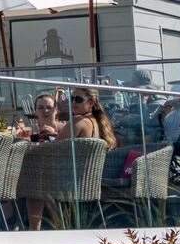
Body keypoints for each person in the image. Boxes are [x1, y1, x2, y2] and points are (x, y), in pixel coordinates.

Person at [25, 86, 118, 230]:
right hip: (86, 181)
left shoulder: (77, 122)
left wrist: (45, 136)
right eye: (72, 99)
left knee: (33, 183)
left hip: (67, 181)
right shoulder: (96, 123)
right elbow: (65, 146)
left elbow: (55, 149)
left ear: (91, 103)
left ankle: (34, 230)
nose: (73, 102)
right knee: (40, 181)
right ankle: (58, 225)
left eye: (78, 99)